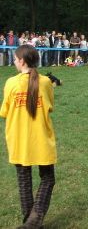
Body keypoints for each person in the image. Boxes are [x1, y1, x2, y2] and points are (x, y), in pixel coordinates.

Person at [0, 45, 57, 229]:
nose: (14, 62)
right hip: (40, 137)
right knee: (47, 178)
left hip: (18, 139)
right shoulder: (46, 82)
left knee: (24, 179)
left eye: (15, 59)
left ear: (22, 61)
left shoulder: (10, 83)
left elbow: (4, 111)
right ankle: (34, 220)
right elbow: (49, 107)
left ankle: (31, 222)